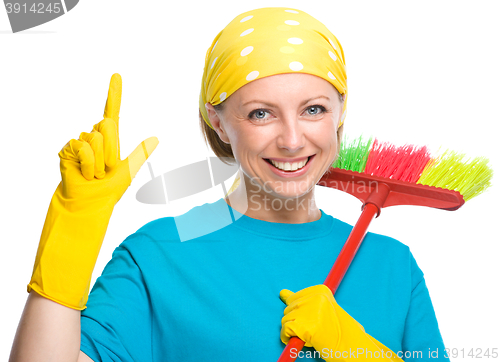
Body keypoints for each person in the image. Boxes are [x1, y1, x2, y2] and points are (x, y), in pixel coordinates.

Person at [9, 7, 449, 362]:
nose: (293, 140)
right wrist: (72, 231)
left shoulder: (393, 266)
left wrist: (358, 352)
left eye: (314, 109)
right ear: (217, 121)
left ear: (341, 111)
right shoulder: (158, 257)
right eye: (261, 113)